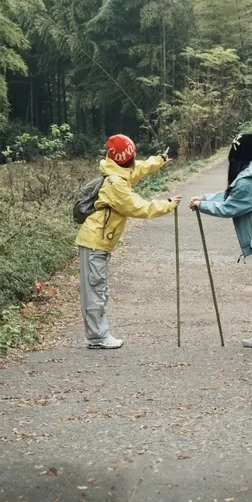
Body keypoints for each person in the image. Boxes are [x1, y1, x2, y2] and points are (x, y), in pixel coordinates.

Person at [76, 133, 181, 349]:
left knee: (98, 288)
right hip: (95, 241)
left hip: (100, 241)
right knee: (96, 290)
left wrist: (160, 159)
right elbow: (138, 207)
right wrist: (167, 204)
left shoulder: (117, 170)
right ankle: (97, 338)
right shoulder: (116, 184)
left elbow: (139, 168)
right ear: (128, 157)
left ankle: (97, 335)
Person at [189, 132, 252, 348]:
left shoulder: (247, 180)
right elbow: (230, 195)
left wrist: (201, 205)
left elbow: (228, 207)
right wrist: (205, 198)